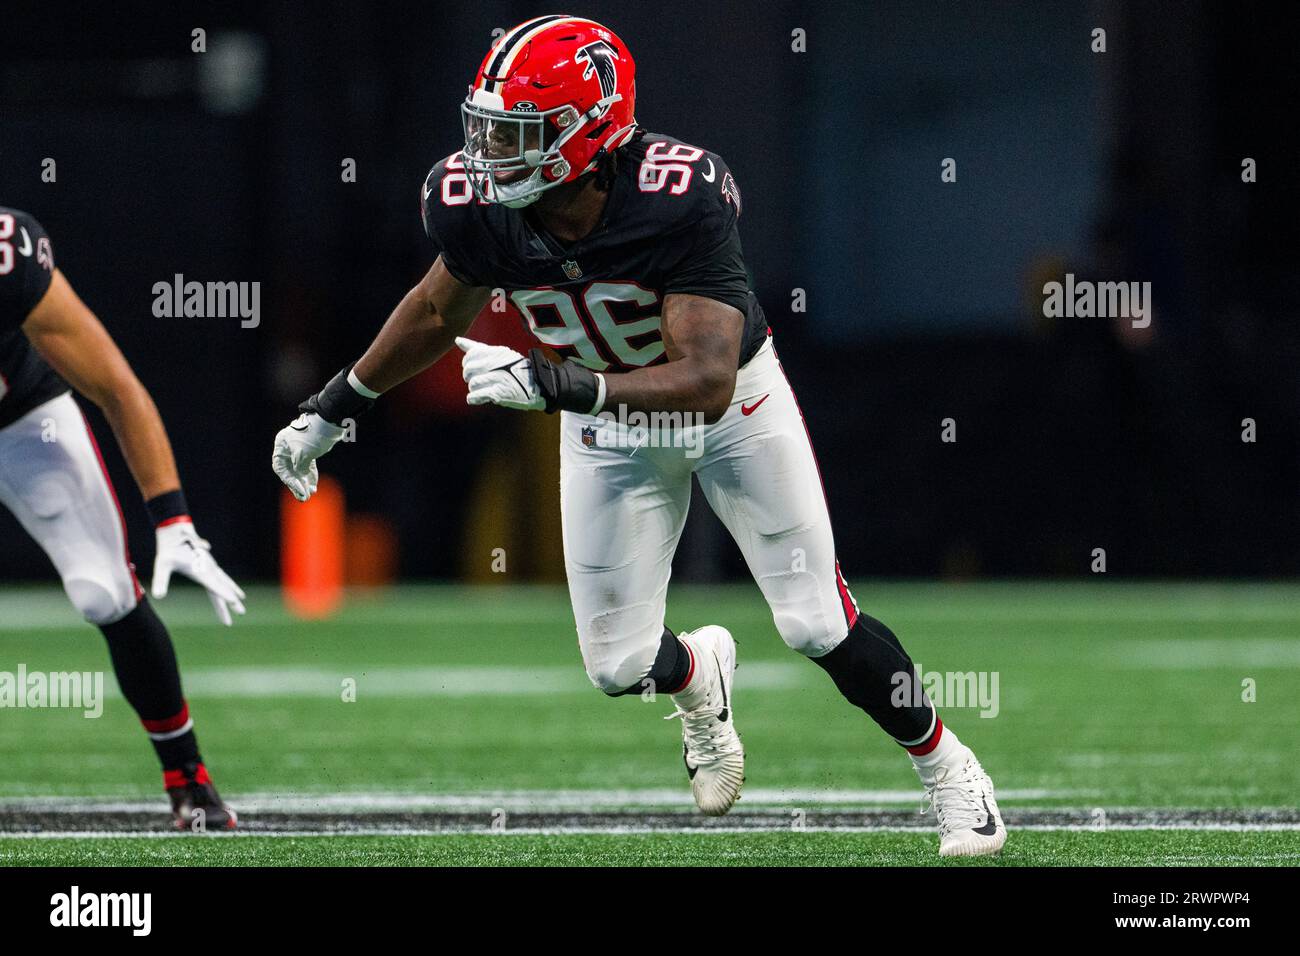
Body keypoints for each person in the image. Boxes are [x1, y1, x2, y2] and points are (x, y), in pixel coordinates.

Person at [272, 15, 1006, 856]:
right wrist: (334, 406)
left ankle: (952, 771)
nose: (492, 152)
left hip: (733, 416)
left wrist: (557, 383)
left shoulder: (677, 196)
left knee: (815, 623)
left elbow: (705, 380)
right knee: (616, 665)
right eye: (488, 128)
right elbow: (439, 308)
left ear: (592, 129)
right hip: (606, 427)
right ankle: (699, 678)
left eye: (519, 133)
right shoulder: (477, 208)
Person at [1, 206, 243, 830]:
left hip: (20, 420)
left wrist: (173, 519)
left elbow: (115, 385)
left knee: (103, 588)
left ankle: (187, 776)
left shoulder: (10, 255)